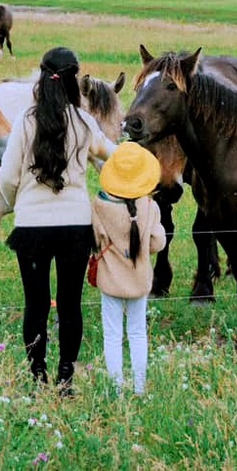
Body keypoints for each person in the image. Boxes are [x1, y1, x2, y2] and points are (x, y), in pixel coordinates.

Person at [0, 46, 114, 391]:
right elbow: (112, 156)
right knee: (70, 303)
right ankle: (66, 377)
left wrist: (17, 202)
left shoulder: (25, 121)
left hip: (31, 227)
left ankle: (37, 376)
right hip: (75, 227)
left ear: (42, 78)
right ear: (73, 81)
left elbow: (7, 174)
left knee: (35, 304)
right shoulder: (84, 122)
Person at [90, 141, 167, 394]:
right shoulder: (150, 207)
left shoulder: (98, 206)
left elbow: (95, 240)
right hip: (139, 280)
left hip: (110, 282)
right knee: (137, 332)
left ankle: (116, 389)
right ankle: (140, 387)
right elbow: (157, 242)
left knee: (112, 335)